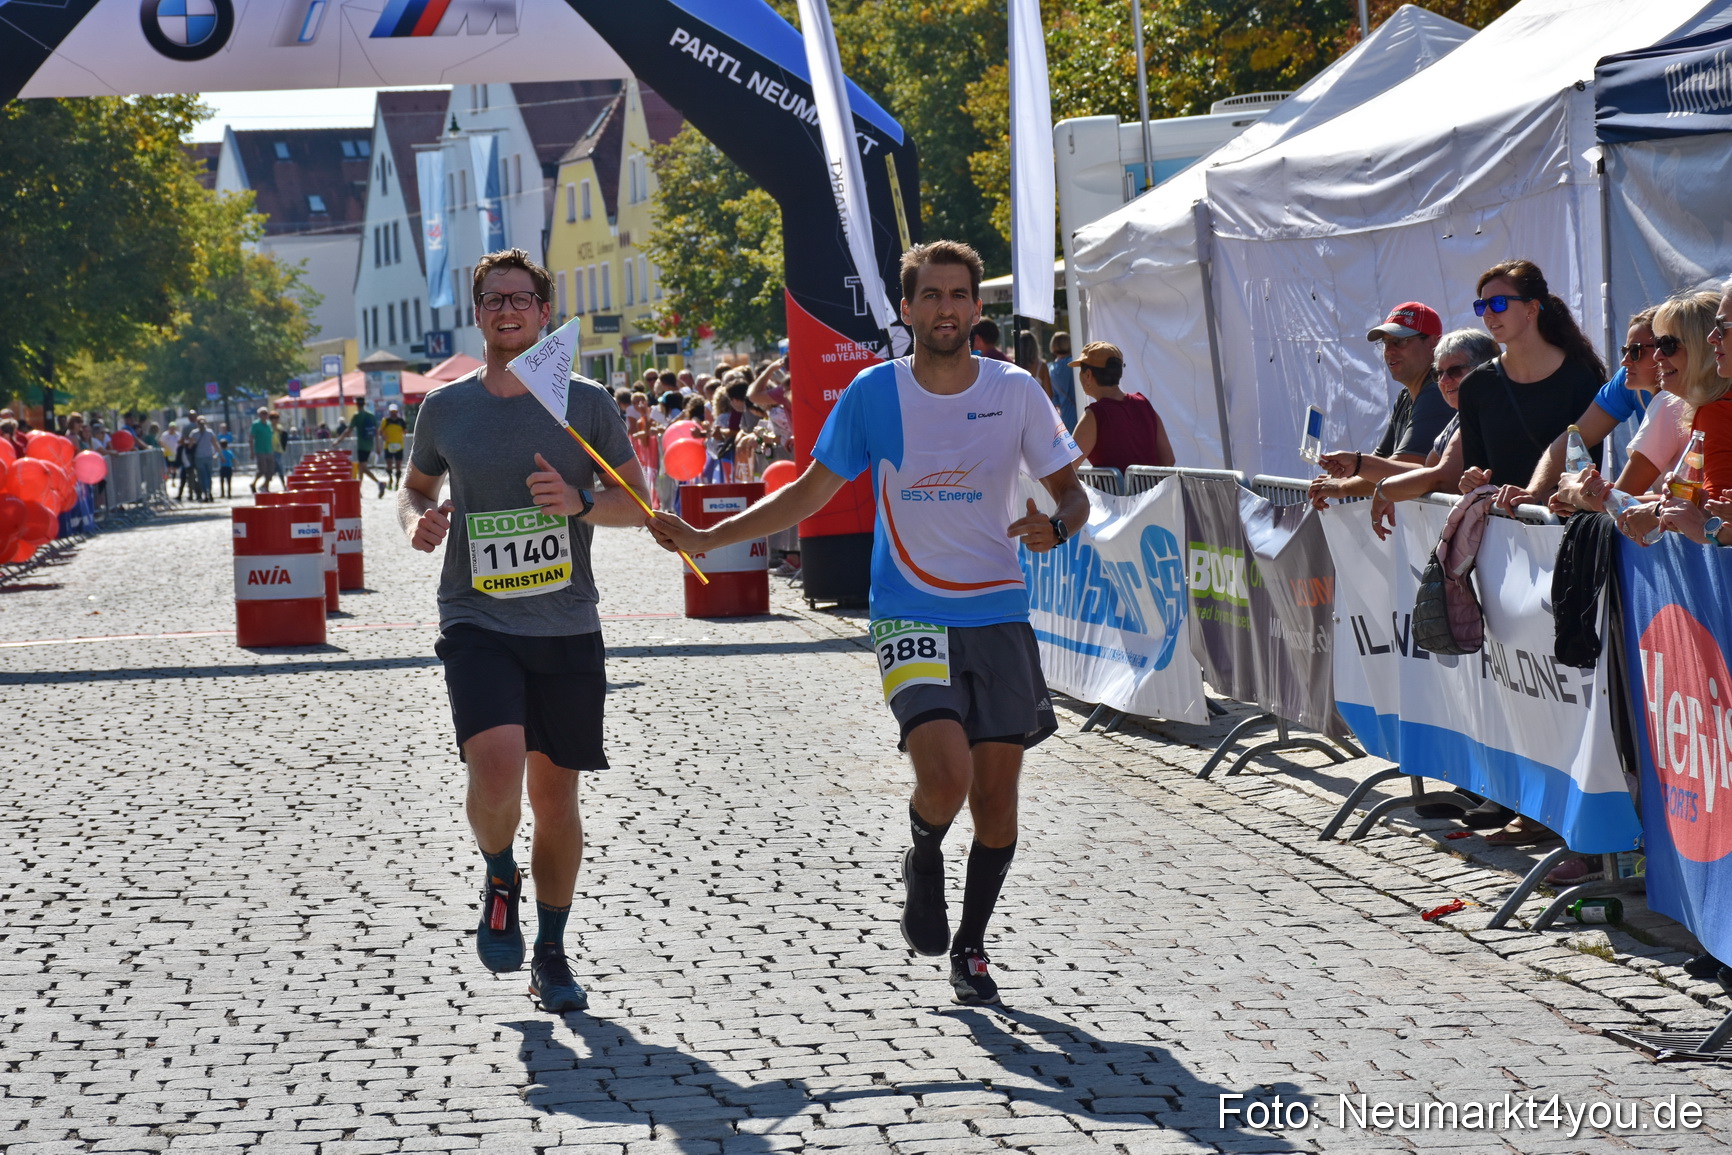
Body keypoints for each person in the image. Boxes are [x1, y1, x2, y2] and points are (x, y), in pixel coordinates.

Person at [649, 239, 1087, 1006]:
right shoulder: (872, 393)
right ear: (908, 308)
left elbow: (1070, 490)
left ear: (975, 308)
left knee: (996, 803)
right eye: (932, 295)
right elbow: (810, 492)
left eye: (960, 295)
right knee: (944, 774)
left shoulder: (1016, 391)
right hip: (910, 609)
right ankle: (924, 853)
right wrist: (711, 537)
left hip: (998, 611)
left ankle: (973, 946)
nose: (947, 308)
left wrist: (1061, 523)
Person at [399, 247, 647, 1015]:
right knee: (498, 768)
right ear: (478, 315)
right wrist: (420, 520)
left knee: (557, 795)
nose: (507, 309)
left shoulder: (587, 401)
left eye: (522, 298)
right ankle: (497, 866)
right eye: (493, 298)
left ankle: (551, 948)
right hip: (477, 614)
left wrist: (577, 503)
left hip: (566, 620)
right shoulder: (446, 408)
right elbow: (413, 489)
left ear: (544, 313)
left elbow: (638, 500)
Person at [1308, 330, 1498, 509]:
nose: (1444, 380)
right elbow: (1423, 471)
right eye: (1438, 374)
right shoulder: (1411, 398)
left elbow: (1437, 478)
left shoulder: (1437, 398)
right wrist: (1357, 466)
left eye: (1400, 341)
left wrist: (1377, 487)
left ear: (1431, 342)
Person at [1366, 303, 1454, 465]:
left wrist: (1341, 483)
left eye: (1399, 341)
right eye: (1385, 343)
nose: (1389, 351)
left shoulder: (1438, 391)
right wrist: (1344, 474)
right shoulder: (1406, 395)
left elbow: (1405, 465)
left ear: (1433, 343)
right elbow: (1381, 459)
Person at [1070, 341, 1175, 471]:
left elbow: (1067, 467)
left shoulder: (1095, 414)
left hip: (1113, 492)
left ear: (1088, 375)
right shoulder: (1143, 403)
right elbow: (1169, 459)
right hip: (1153, 491)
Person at [334, 398, 387, 498]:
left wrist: (338, 440)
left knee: (363, 468)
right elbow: (376, 432)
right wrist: (378, 446)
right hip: (370, 445)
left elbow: (348, 430)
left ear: (357, 405)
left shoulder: (357, 416)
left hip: (362, 446)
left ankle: (379, 483)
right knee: (361, 469)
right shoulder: (371, 415)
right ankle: (359, 491)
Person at [1047, 331, 1077, 431]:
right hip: (1078, 412)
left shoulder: (1050, 369)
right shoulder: (1074, 364)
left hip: (1063, 417)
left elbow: (1054, 397)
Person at [250, 408, 279, 494]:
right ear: (259, 415)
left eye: (266, 413)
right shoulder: (255, 424)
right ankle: (254, 483)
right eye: (263, 414)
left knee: (271, 470)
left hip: (269, 450)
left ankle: (265, 486)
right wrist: (252, 452)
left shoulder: (269, 424)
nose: (265, 415)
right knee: (262, 470)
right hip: (260, 450)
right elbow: (251, 438)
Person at [380, 403, 409, 491]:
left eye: (395, 411)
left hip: (399, 446)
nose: (393, 413)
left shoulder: (401, 421)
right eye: (392, 411)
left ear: (397, 412)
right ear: (389, 412)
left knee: (398, 465)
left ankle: (397, 482)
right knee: (389, 464)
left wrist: (402, 434)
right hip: (388, 445)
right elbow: (380, 431)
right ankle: (390, 479)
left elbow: (405, 431)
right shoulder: (386, 420)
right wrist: (384, 436)